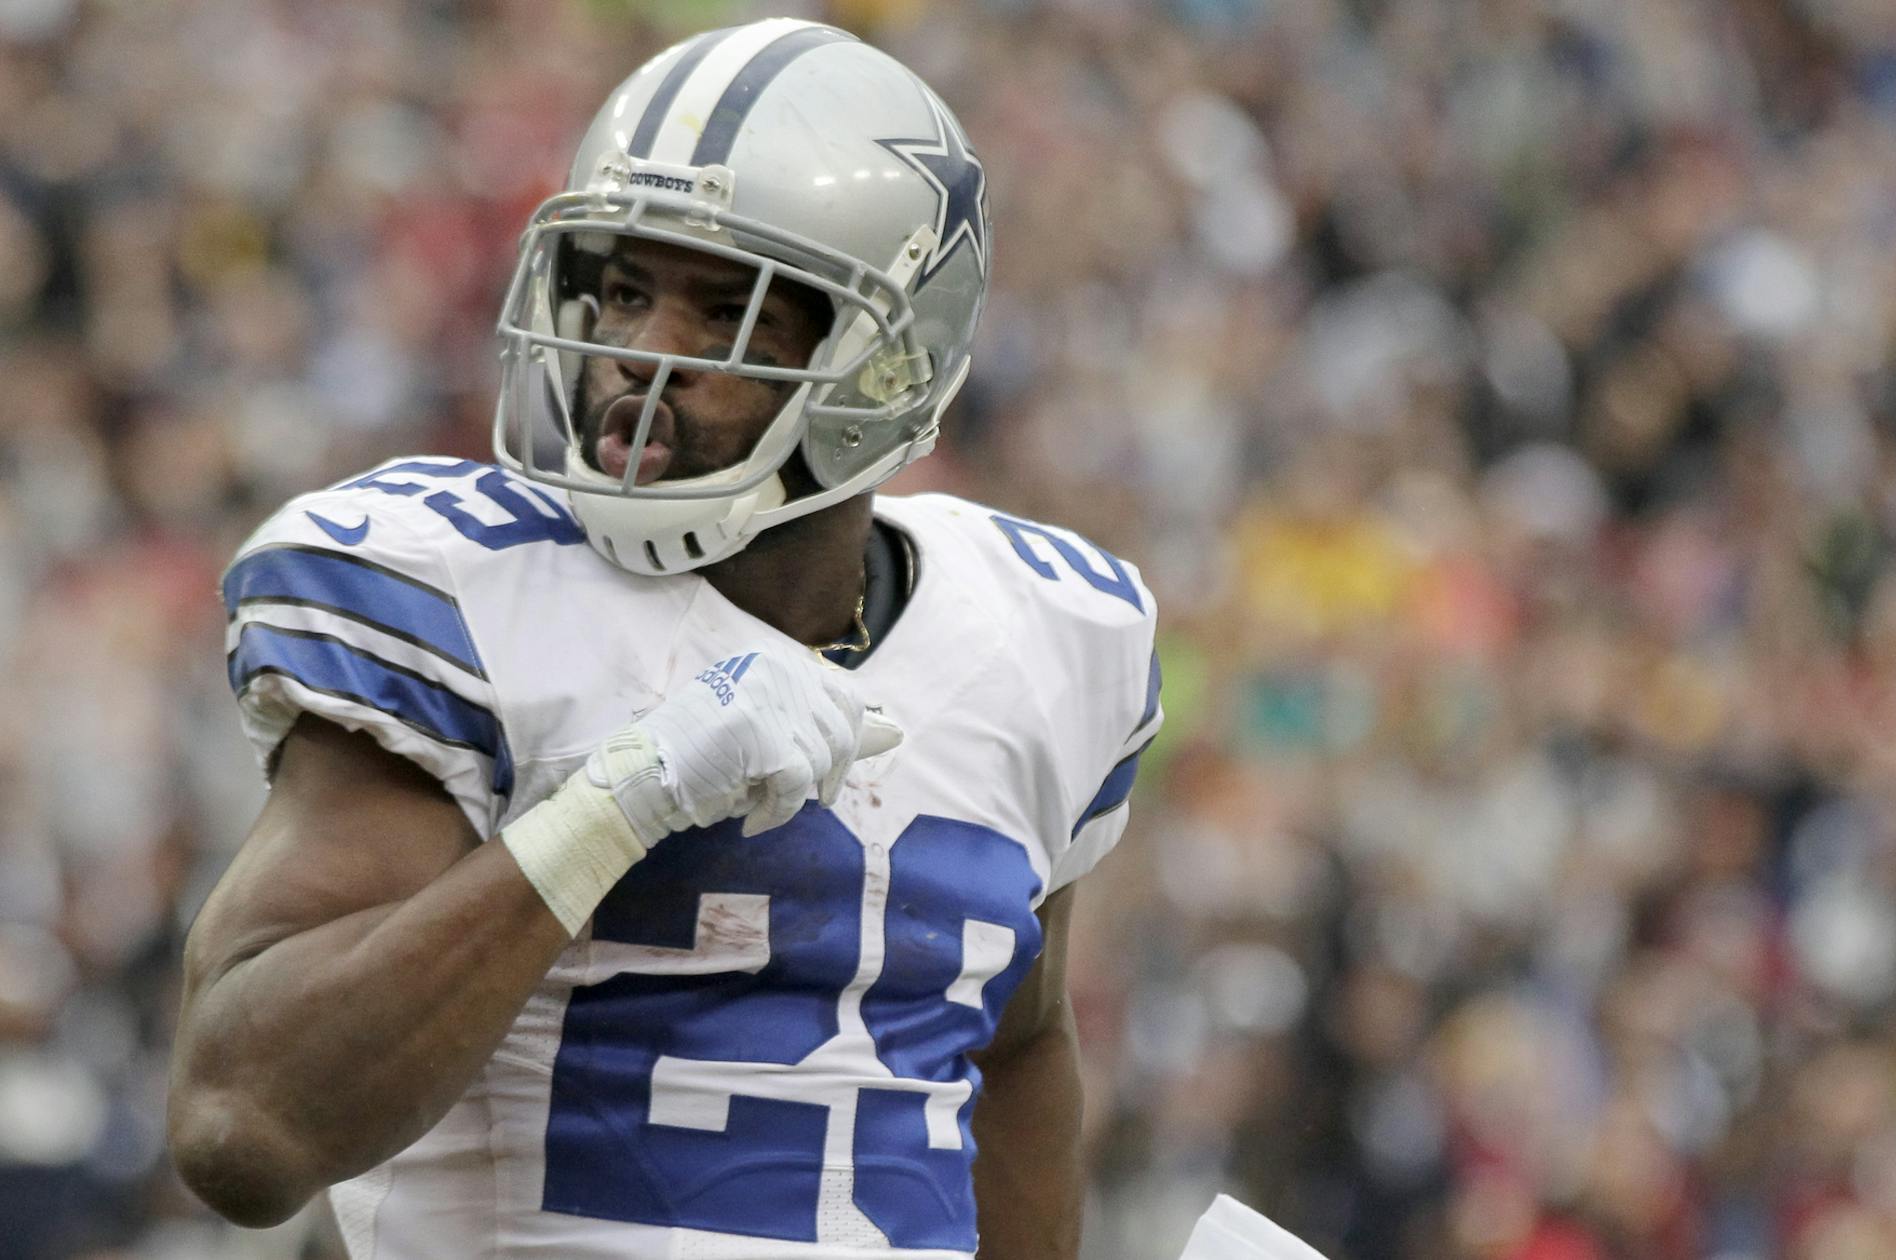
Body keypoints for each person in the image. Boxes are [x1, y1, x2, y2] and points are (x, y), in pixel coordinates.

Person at [164, 19, 1161, 1260]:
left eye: (726, 309)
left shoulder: (1051, 628)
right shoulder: (465, 591)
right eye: (627, 288)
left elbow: (1014, 1049)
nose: (641, 354)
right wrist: (615, 807)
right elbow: (242, 1127)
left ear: (886, 363)